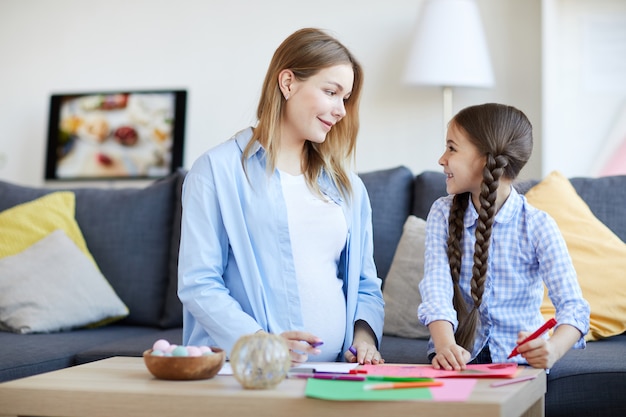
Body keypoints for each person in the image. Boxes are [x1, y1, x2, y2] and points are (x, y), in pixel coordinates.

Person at [177, 28, 384, 365]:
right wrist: (261, 344)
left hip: (335, 372)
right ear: (288, 83)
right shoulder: (216, 171)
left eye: (345, 98)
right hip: (251, 370)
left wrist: (364, 339)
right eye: (331, 92)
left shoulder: (347, 187)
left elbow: (364, 284)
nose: (341, 110)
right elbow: (198, 282)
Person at [418, 103, 590, 371]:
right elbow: (436, 289)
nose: (442, 158)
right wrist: (444, 346)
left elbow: (574, 307)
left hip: (520, 361)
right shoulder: (442, 213)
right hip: (456, 357)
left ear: (485, 158)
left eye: (451, 148)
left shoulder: (537, 226)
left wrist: (552, 350)